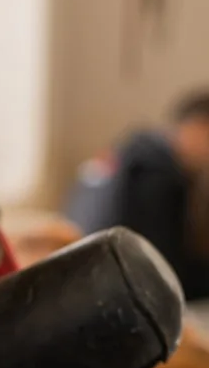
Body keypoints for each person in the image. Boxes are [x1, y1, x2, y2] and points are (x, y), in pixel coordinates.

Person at [65, 90, 209, 300]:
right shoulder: (156, 174)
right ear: (199, 127)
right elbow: (165, 272)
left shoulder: (128, 154)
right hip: (116, 291)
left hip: (87, 280)